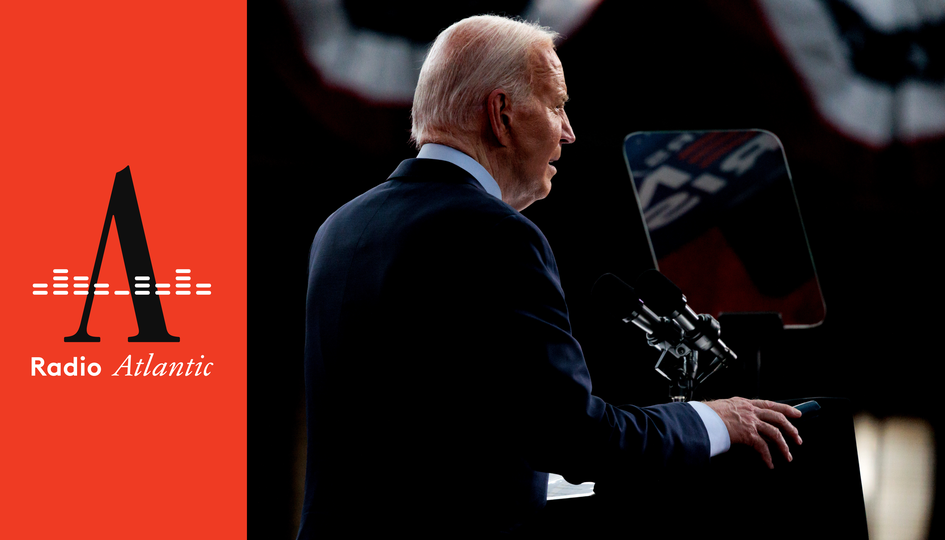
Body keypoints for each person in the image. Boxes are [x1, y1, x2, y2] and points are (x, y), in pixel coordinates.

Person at [298, 14, 802, 537]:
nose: (569, 130)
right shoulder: (494, 233)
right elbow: (574, 435)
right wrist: (714, 421)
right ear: (502, 115)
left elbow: (426, 431)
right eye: (557, 104)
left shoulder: (339, 229)